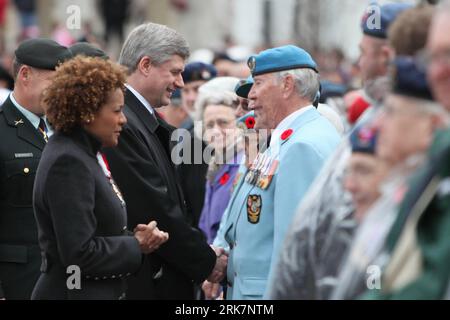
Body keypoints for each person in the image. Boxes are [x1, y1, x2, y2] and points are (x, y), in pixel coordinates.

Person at [103, 22, 226, 300]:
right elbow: (153, 207)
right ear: (145, 65)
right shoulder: (124, 123)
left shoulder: (139, 120)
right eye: (175, 72)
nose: (180, 83)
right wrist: (207, 261)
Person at [31, 56, 169, 300]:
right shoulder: (69, 161)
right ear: (87, 113)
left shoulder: (83, 152)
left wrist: (132, 239)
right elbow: (78, 254)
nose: (123, 120)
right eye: (116, 111)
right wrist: (135, 244)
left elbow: (95, 230)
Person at [217, 45, 341, 299]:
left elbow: (295, 256)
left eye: (258, 84)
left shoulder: (302, 145)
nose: (250, 96)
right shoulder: (287, 138)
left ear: (286, 85)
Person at [0, 38, 72, 300]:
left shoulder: (65, 129)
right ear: (25, 75)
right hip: (19, 281)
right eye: (54, 84)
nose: (60, 94)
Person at [196, 91, 243, 244]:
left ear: (240, 123)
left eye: (223, 123)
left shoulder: (244, 164)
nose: (215, 131)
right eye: (209, 125)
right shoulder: (214, 166)